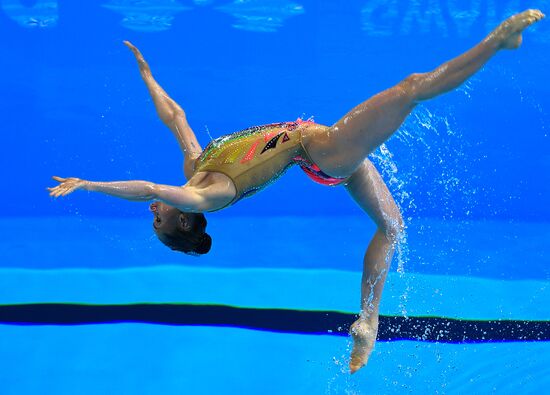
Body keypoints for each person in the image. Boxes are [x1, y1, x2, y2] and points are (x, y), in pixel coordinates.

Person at [48, 10, 545, 374]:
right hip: (324, 152)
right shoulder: (210, 197)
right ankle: (498, 43)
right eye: (159, 219)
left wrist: (146, 75)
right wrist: (89, 184)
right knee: (411, 88)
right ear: (183, 219)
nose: (155, 210)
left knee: (391, 225)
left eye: (154, 216)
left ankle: (368, 322)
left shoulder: (196, 167)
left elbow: (175, 117)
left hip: (326, 159)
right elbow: (149, 189)